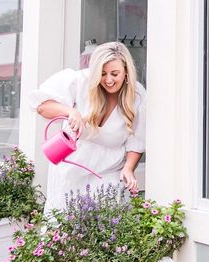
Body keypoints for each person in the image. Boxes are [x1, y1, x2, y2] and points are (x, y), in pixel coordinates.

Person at [30, 41, 146, 214]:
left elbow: (136, 140)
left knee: (105, 230)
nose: (108, 80)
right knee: (64, 229)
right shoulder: (78, 81)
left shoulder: (136, 95)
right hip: (70, 172)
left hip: (109, 173)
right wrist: (70, 111)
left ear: (126, 71)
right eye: (102, 73)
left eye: (115, 74)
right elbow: (41, 106)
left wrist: (129, 168)